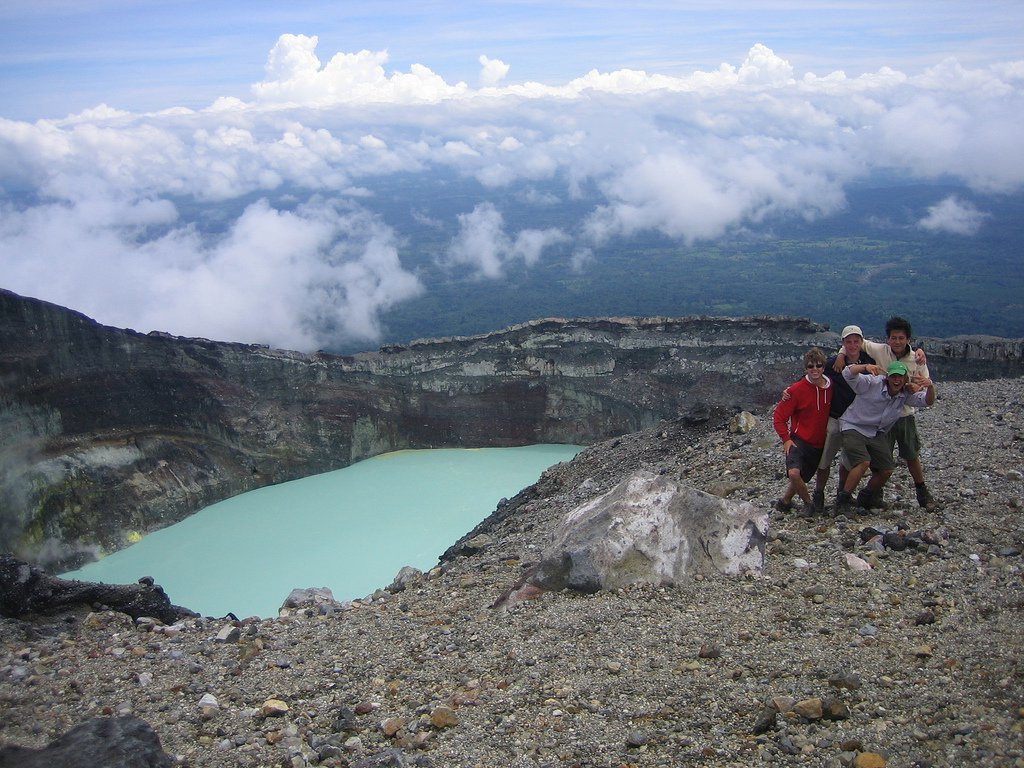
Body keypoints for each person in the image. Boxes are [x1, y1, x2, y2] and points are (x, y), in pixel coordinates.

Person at [837, 316, 938, 509]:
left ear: (908, 339)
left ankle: (922, 492)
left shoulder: (916, 359)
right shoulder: (880, 350)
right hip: (880, 419)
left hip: (904, 411)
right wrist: (841, 356)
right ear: (888, 339)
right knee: (880, 459)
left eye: (901, 338)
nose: (897, 342)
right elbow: (854, 343)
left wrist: (919, 387)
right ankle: (872, 496)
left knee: (911, 454)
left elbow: (924, 387)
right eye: (893, 338)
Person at [809, 325, 874, 513]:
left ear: (861, 342)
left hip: (857, 420)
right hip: (836, 417)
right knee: (825, 459)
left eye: (856, 341)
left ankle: (842, 493)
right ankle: (819, 494)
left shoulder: (868, 362)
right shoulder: (833, 364)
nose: (853, 345)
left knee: (848, 460)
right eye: (849, 342)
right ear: (843, 343)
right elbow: (813, 377)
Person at [772, 348, 833, 514]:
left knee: (804, 475)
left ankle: (784, 502)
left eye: (818, 366)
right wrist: (786, 439)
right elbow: (779, 417)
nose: (815, 369)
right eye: (811, 366)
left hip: (820, 441)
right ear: (806, 368)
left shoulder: (831, 387)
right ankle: (808, 504)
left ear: (824, 367)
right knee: (794, 473)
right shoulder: (796, 390)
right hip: (799, 440)